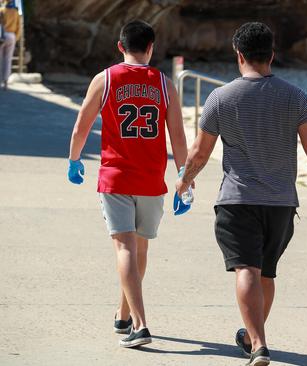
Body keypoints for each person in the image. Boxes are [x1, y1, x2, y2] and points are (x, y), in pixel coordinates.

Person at [176, 22, 307, 366]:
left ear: (239, 55)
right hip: (281, 202)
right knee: (266, 272)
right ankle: (253, 336)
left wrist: (184, 181)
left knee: (246, 269)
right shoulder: (296, 97)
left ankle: (259, 345)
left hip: (238, 199)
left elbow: (200, 153)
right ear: (272, 55)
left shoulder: (220, 97)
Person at [67, 20, 190, 348]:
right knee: (141, 249)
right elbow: (177, 136)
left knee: (124, 249)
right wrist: (184, 178)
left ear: (120, 46)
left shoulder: (105, 78)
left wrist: (74, 159)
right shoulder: (164, 84)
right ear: (151, 48)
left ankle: (139, 324)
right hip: (151, 180)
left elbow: (82, 125)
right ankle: (123, 314)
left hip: (116, 177)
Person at [0, 0, 21, 90]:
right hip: (12, 35)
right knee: (8, 60)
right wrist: (16, 38)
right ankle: (6, 82)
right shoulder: (16, 12)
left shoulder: (2, 10)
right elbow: (19, 27)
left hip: (2, 35)